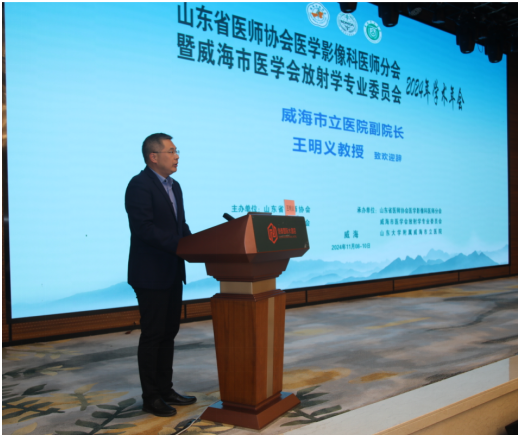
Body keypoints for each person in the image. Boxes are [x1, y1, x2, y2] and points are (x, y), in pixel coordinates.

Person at [125, 133, 196, 417]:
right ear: (153, 156)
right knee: (153, 335)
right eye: (171, 151)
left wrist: (196, 244)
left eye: (177, 151)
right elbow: (144, 229)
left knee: (169, 333)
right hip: (150, 273)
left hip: (172, 270)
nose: (177, 156)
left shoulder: (175, 186)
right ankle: (151, 397)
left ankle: (166, 390)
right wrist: (181, 245)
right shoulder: (139, 185)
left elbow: (180, 225)